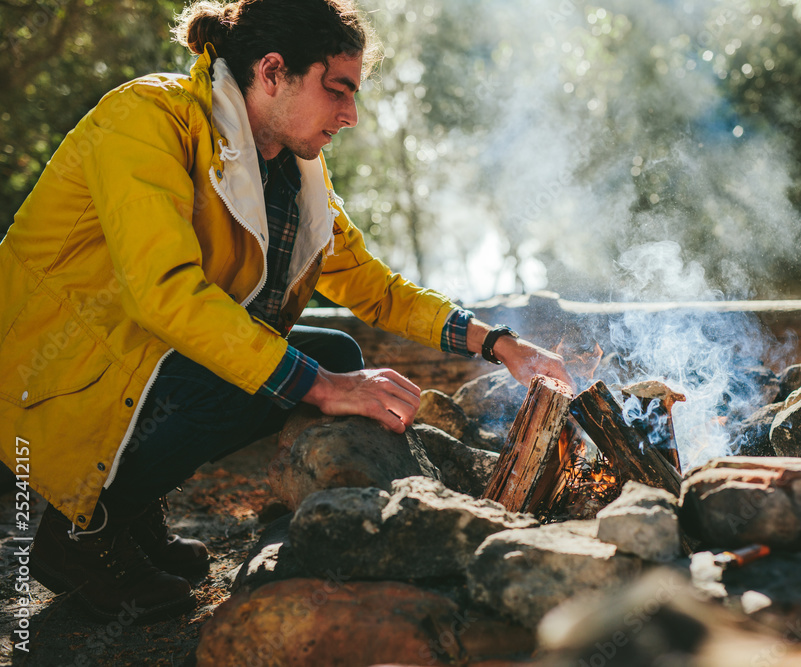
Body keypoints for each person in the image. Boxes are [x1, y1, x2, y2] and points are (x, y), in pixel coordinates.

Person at [0, 0, 572, 622]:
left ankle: (127, 505)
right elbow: (164, 292)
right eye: (338, 91)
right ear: (272, 71)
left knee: (337, 355)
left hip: (137, 362)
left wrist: (501, 344)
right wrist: (322, 387)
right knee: (296, 375)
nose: (351, 115)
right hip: (56, 376)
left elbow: (371, 285)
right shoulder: (145, 119)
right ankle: (79, 534)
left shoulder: (291, 165)